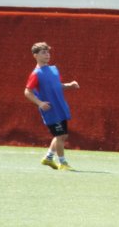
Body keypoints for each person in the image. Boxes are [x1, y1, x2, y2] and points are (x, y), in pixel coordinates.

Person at [24, 42, 79, 171]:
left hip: (61, 107)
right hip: (50, 110)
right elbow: (27, 92)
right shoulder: (36, 74)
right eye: (43, 52)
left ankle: (48, 158)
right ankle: (62, 163)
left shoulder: (54, 69)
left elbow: (57, 85)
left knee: (63, 135)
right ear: (35, 55)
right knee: (60, 136)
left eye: (48, 52)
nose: (47, 55)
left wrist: (69, 85)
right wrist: (40, 103)